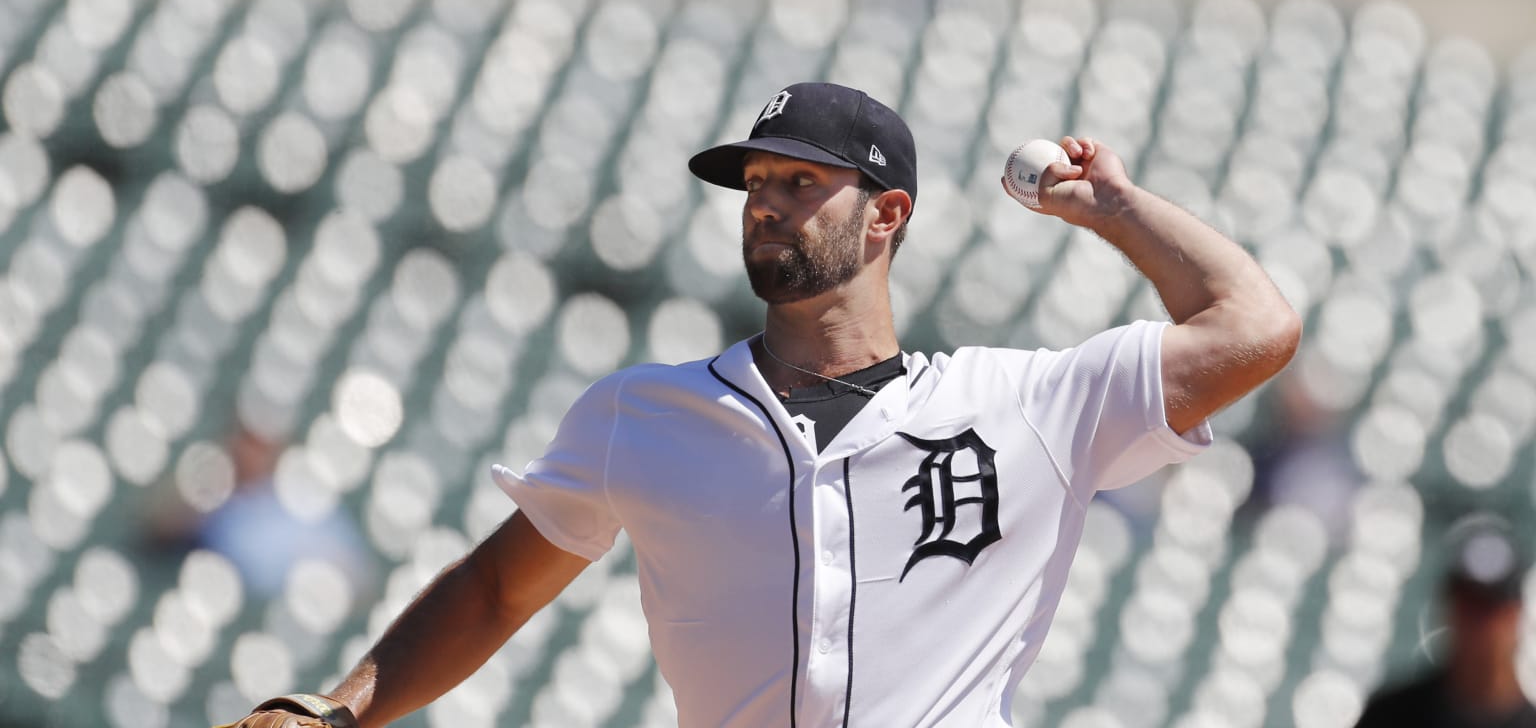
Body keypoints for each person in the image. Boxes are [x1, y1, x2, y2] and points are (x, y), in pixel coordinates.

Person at [224, 82, 1300, 727]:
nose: (766, 207)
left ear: (886, 217)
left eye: (800, 184)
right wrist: (350, 703)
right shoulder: (642, 416)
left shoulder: (1026, 403)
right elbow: (496, 592)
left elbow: (1253, 324)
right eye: (757, 186)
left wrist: (1115, 208)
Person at [1355, 519, 1536, 728]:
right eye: (1468, 605)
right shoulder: (1388, 717)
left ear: (1515, 613)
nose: (1479, 624)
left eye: (1489, 609)